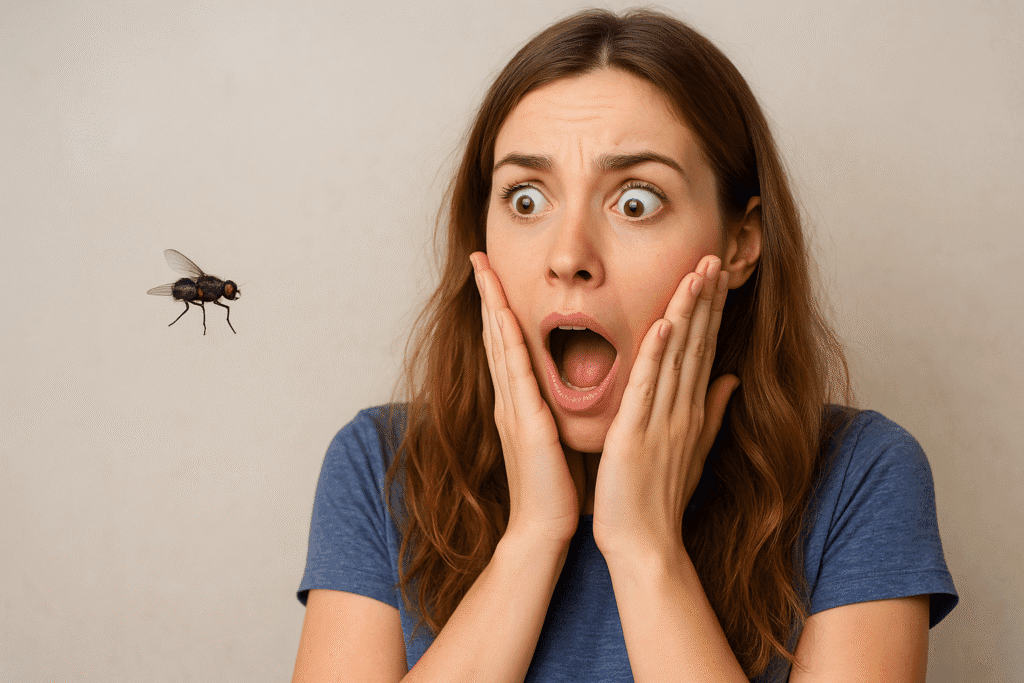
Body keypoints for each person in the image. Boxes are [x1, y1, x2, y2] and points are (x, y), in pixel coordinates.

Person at [292, 8, 957, 682]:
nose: (568, 254)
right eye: (525, 199)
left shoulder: (860, 476)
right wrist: (531, 541)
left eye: (636, 201)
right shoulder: (381, 468)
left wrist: (646, 549)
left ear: (740, 243)